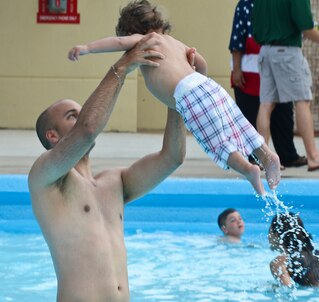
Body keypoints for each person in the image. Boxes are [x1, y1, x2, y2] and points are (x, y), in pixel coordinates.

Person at [29, 34, 188, 302]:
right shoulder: (46, 178)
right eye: (73, 114)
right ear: (53, 136)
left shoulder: (114, 182)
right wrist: (123, 65)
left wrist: (177, 93)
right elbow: (87, 130)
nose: (83, 115)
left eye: (81, 109)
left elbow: (172, 158)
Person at [67, 0, 281, 196]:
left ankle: (248, 169)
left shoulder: (143, 40)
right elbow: (202, 63)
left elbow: (117, 42)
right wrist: (196, 78)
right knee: (238, 124)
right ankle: (266, 155)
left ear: (131, 31)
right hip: (209, 87)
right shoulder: (175, 42)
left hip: (189, 95)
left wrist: (86, 48)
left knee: (216, 140)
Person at [229, 0, 307, 169]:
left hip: (277, 66)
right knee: (249, 115)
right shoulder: (245, 5)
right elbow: (237, 39)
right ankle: (255, 157)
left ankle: (287, 155)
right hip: (249, 70)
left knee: (283, 114)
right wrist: (236, 69)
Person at [252, 0, 319, 172]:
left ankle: (263, 159)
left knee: (266, 104)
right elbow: (306, 27)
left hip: (265, 52)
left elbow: (255, 29)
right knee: (302, 100)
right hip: (287, 53)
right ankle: (313, 158)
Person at [268, 212, 319, 287]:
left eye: (270, 232)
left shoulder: (279, 263)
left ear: (277, 234)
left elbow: (287, 291)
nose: (268, 236)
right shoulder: (316, 254)